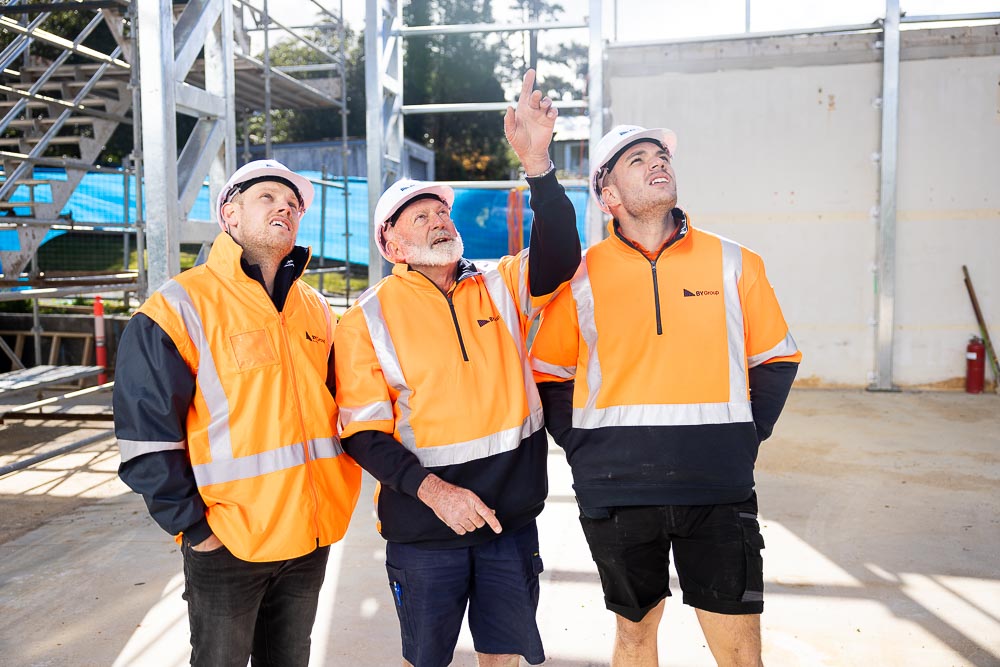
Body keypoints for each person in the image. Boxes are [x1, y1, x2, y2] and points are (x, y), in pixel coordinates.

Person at [529, 124, 802, 667]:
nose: (658, 164)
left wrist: (746, 436)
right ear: (609, 195)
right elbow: (549, 373)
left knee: (741, 649)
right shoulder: (580, 277)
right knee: (634, 636)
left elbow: (777, 358)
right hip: (617, 487)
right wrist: (584, 445)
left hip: (717, 484)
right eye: (638, 160)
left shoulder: (735, 263)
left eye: (661, 157)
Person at [333, 69, 580, 667]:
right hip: (424, 526)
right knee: (428, 659)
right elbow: (363, 433)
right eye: (418, 217)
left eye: (441, 213)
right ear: (391, 245)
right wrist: (435, 492)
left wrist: (538, 162)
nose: (438, 221)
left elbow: (562, 254)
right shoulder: (364, 319)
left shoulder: (502, 283)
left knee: (503, 655)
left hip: (509, 518)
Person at [113, 159, 362, 667]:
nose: (284, 208)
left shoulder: (315, 309)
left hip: (309, 536)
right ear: (229, 215)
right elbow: (145, 437)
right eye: (267, 198)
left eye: (292, 204)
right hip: (228, 542)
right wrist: (195, 530)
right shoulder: (178, 307)